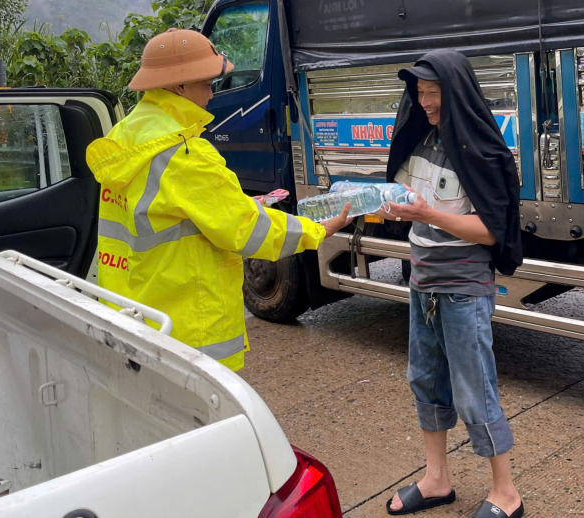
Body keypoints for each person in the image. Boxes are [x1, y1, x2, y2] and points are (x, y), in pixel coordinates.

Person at [86, 28, 350, 371]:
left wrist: (233, 205)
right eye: (207, 83)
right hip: (186, 329)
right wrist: (317, 231)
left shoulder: (126, 137)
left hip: (138, 312)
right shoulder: (183, 152)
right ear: (178, 86)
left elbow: (161, 216)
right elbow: (244, 230)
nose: (213, 93)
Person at [380, 49, 524, 517]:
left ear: (455, 92)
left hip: (463, 289)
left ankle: (506, 493)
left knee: (474, 389)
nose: (424, 102)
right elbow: (409, 197)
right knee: (425, 381)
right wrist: (392, 206)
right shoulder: (420, 140)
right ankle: (437, 479)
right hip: (422, 284)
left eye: (433, 92)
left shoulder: (482, 152)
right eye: (419, 93)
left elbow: (491, 231)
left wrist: (426, 213)